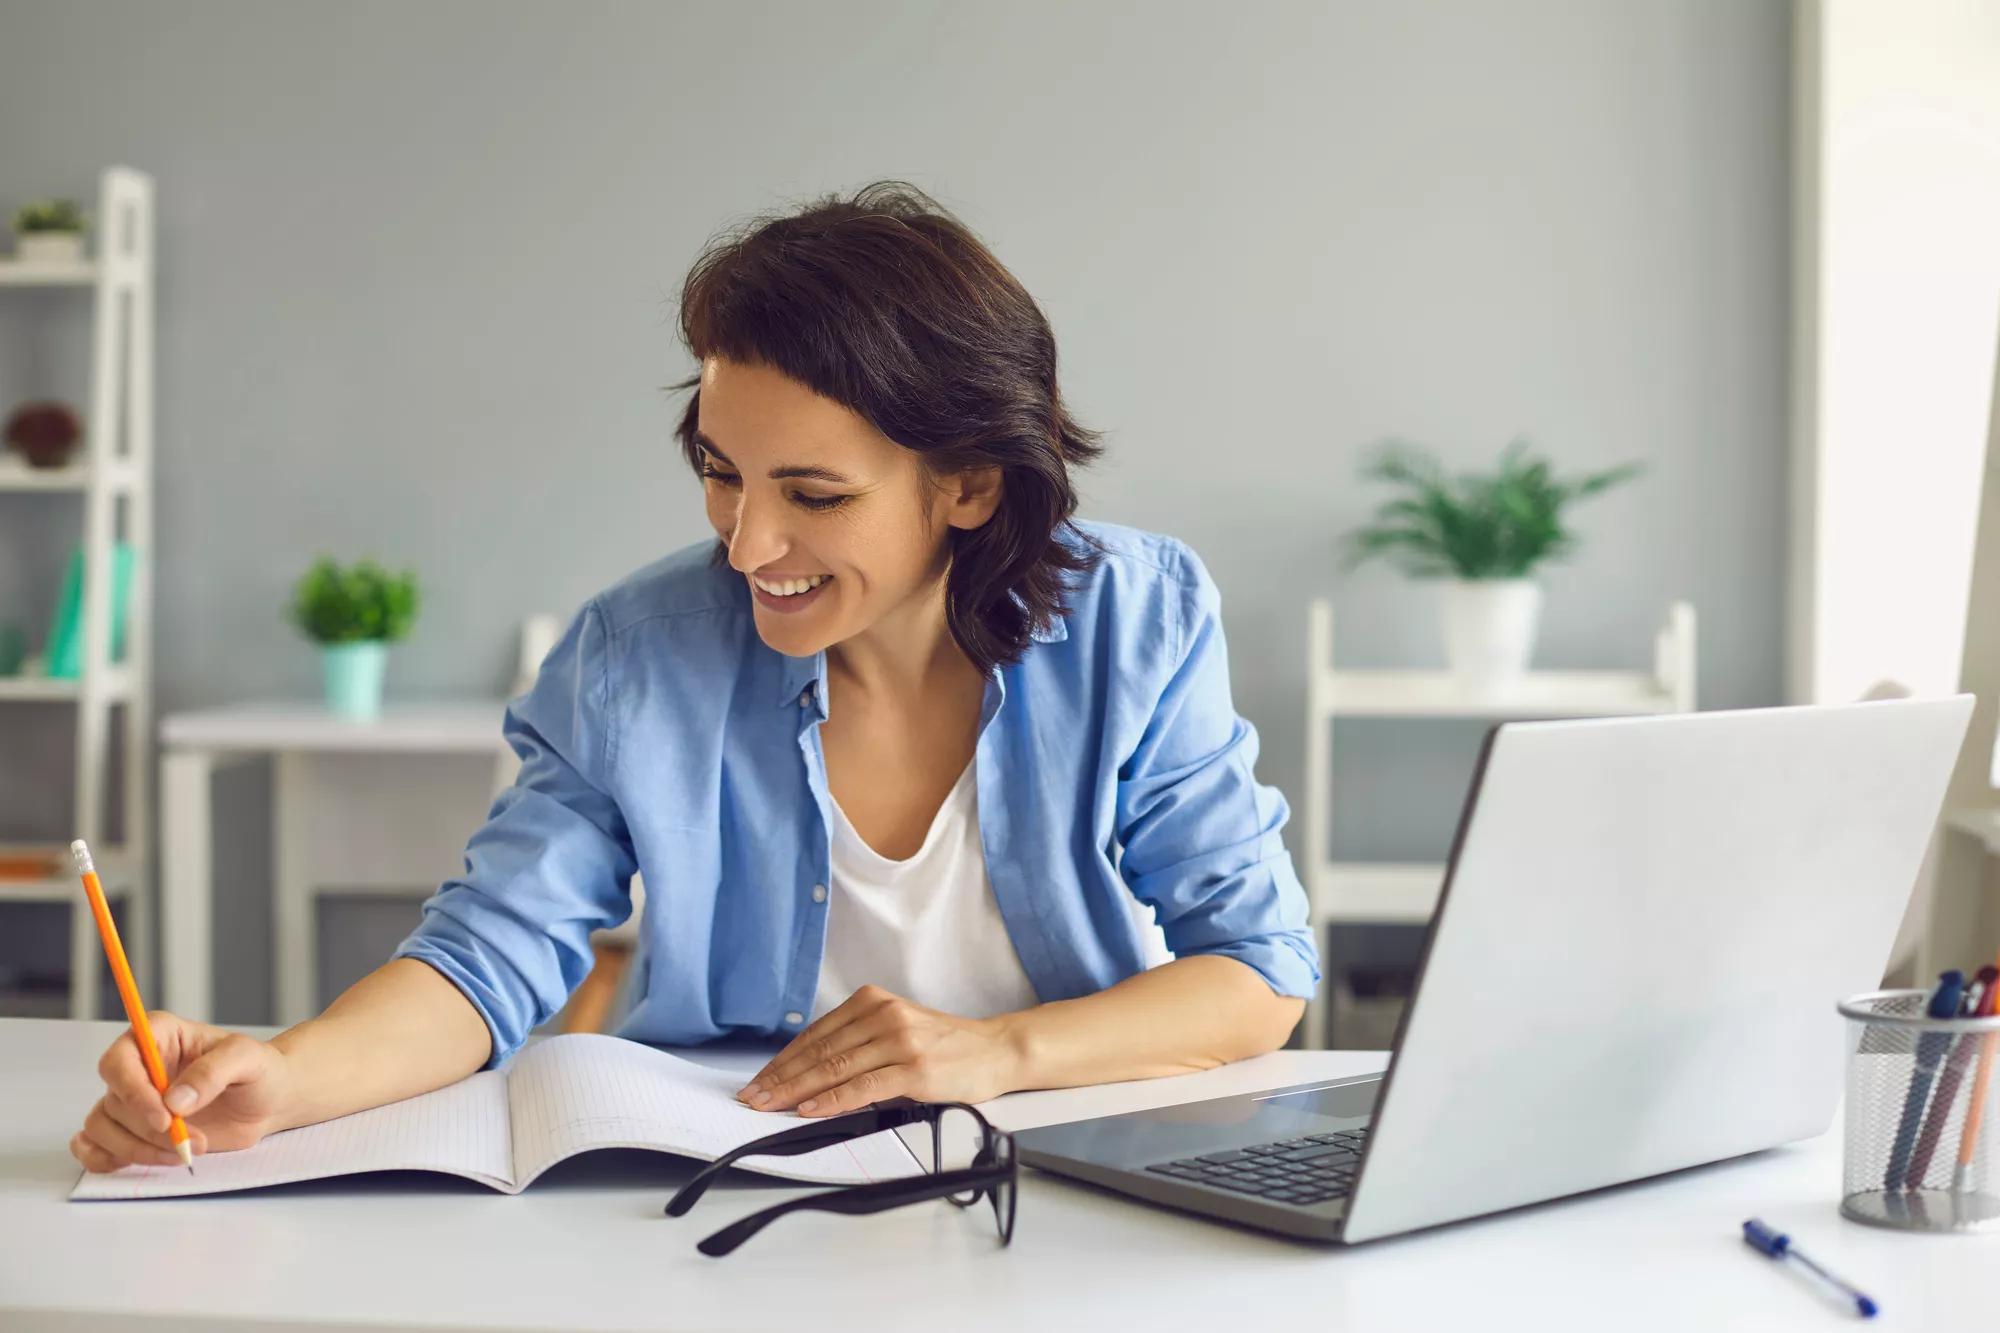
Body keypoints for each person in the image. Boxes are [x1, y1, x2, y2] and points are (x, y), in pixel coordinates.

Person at [69, 181, 1319, 1174]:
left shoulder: (1131, 617)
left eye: (812, 494)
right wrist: (284, 1077)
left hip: (1049, 1173)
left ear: (969, 484)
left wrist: (992, 1052)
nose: (746, 543)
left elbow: (1260, 971)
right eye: (721, 469)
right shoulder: (637, 650)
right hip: (722, 1180)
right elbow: (488, 955)